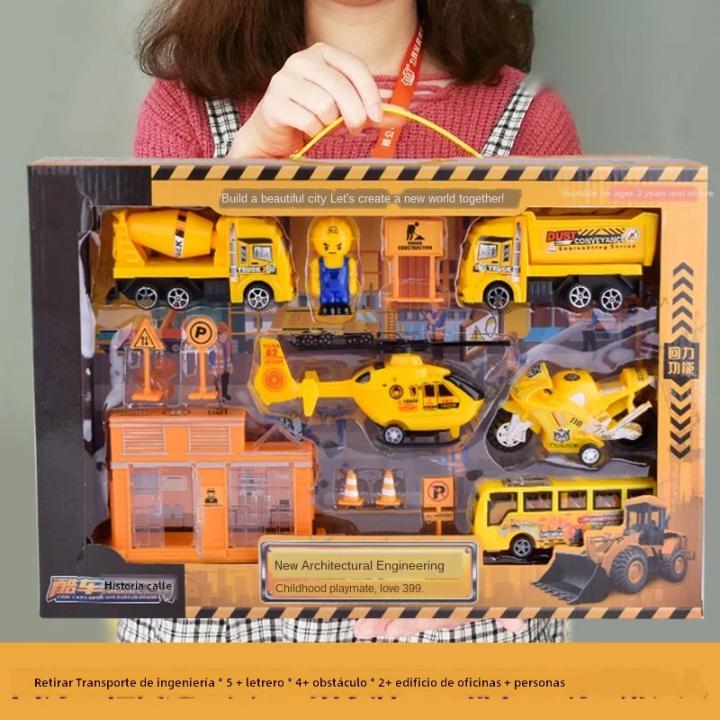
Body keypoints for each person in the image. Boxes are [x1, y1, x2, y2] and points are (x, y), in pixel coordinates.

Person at [119, 0, 580, 645]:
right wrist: (236, 173)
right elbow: (147, 349)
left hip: (456, 620)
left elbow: (559, 353)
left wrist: (472, 575)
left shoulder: (526, 117)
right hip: (225, 617)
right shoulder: (188, 109)